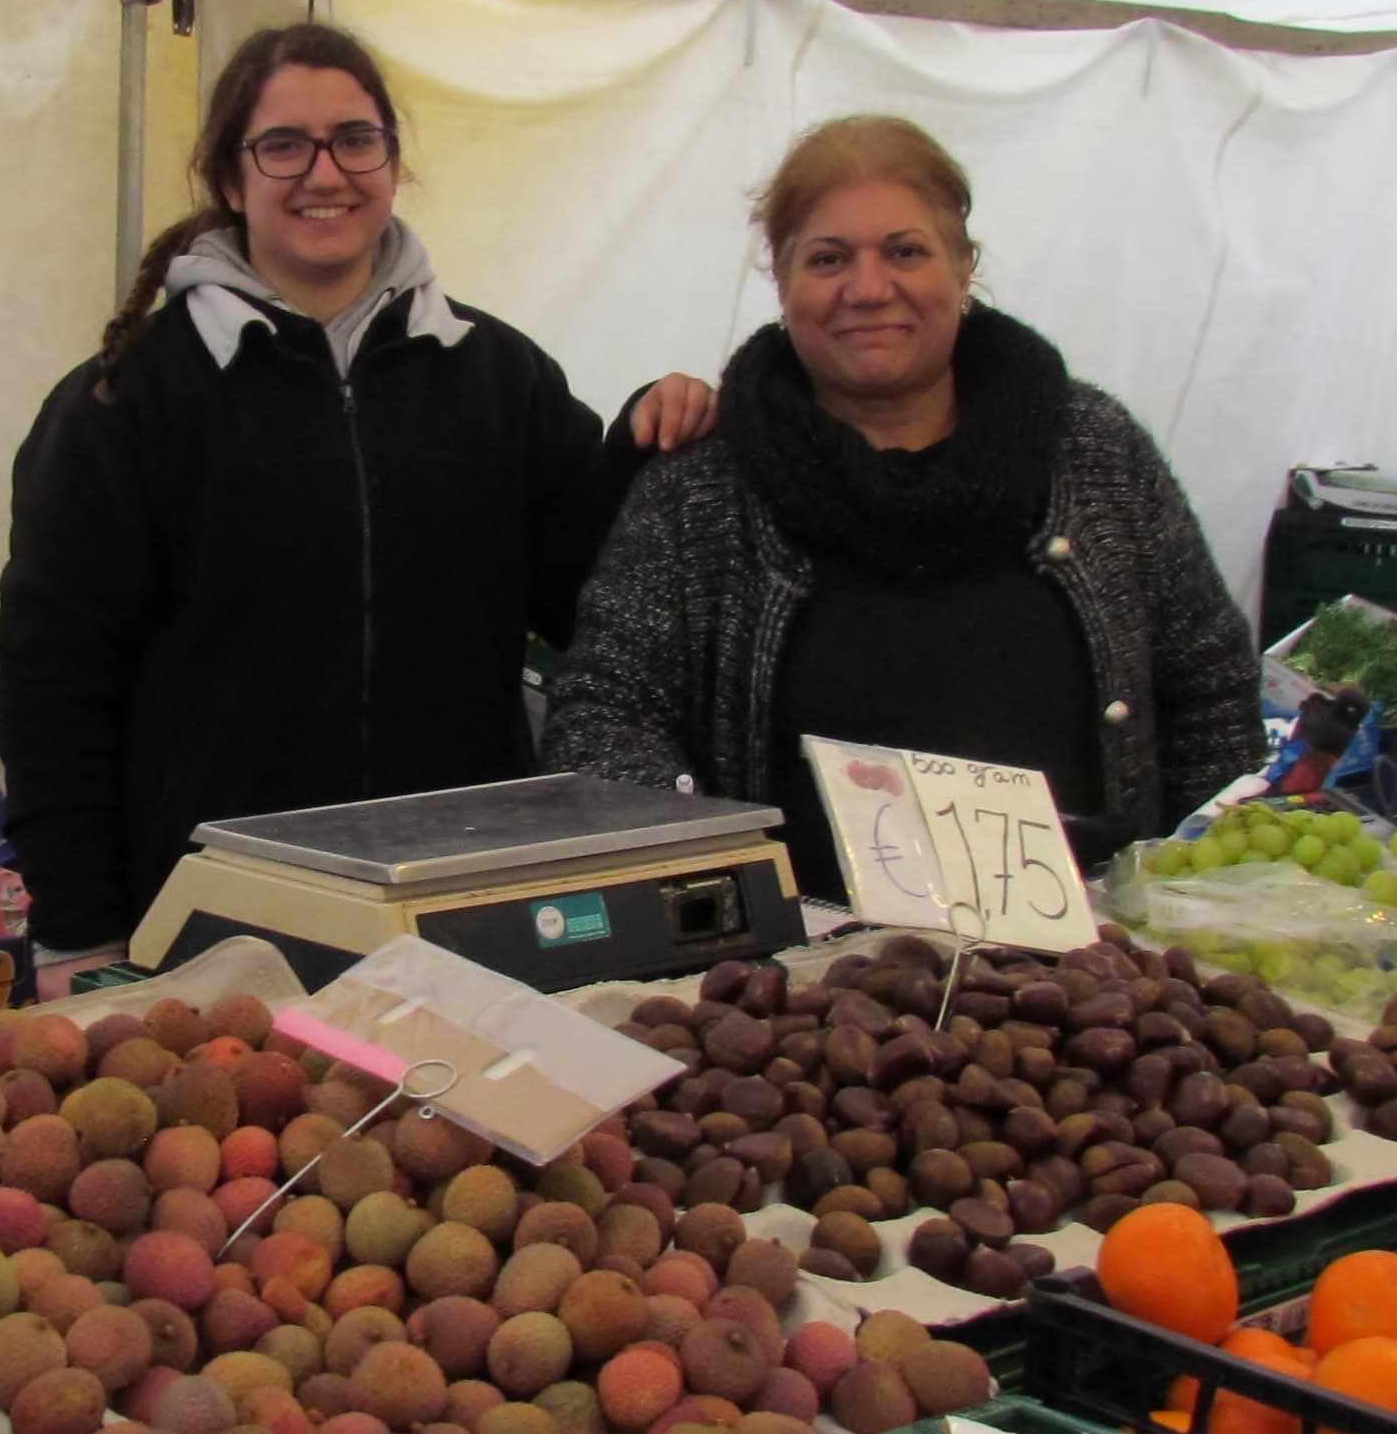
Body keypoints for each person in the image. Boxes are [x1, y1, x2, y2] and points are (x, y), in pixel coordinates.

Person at [0, 22, 715, 958]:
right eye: (284, 145)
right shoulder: (127, 401)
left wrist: (646, 445)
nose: (324, 173)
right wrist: (77, 929)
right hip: (217, 913)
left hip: (462, 896)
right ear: (229, 175)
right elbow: (53, 681)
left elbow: (589, 597)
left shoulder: (498, 377)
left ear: (393, 163)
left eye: (355, 140)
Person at [541, 113, 1265, 900]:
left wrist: (1201, 900)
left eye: (906, 251)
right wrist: (723, 893)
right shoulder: (701, 488)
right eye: (828, 259)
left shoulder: (1095, 450)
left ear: (963, 268)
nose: (868, 288)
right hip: (797, 986)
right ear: (781, 282)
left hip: (1092, 982)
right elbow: (605, 715)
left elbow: (1210, 688)